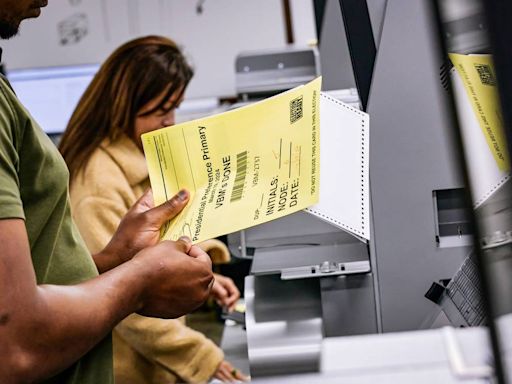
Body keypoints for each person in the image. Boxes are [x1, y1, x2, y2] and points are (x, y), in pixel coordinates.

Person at [0, 2, 214, 383]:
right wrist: (142, 278)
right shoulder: (97, 180)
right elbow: (16, 342)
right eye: (158, 111)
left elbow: (39, 282)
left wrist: (115, 259)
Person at [58, 36, 248, 383]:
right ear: (125, 105)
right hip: (128, 369)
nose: (169, 121)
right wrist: (203, 359)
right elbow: (121, 299)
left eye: (174, 108)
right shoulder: (97, 184)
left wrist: (203, 279)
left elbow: (148, 259)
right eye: (160, 111)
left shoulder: (134, 158)